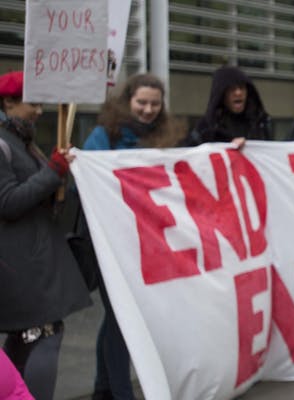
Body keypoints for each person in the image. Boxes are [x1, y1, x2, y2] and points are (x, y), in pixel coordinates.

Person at [83, 73, 184, 400]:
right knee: (122, 319)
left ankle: (103, 388)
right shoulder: (103, 136)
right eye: (142, 102)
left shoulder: (167, 139)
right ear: (128, 102)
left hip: (149, 242)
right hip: (112, 242)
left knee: (117, 318)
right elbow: (84, 184)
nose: (148, 110)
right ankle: (122, 392)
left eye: (155, 104)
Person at [0, 70, 92, 400]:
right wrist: (52, 172)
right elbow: (8, 202)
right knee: (43, 334)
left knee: (30, 337)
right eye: (33, 103)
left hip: (33, 263)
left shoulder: (23, 142)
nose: (39, 111)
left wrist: (56, 181)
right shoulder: (3, 144)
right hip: (22, 267)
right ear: (9, 103)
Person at [182, 65, 272, 146]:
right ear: (221, 94)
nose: (238, 93)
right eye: (232, 88)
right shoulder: (205, 129)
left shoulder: (261, 124)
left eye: (242, 87)